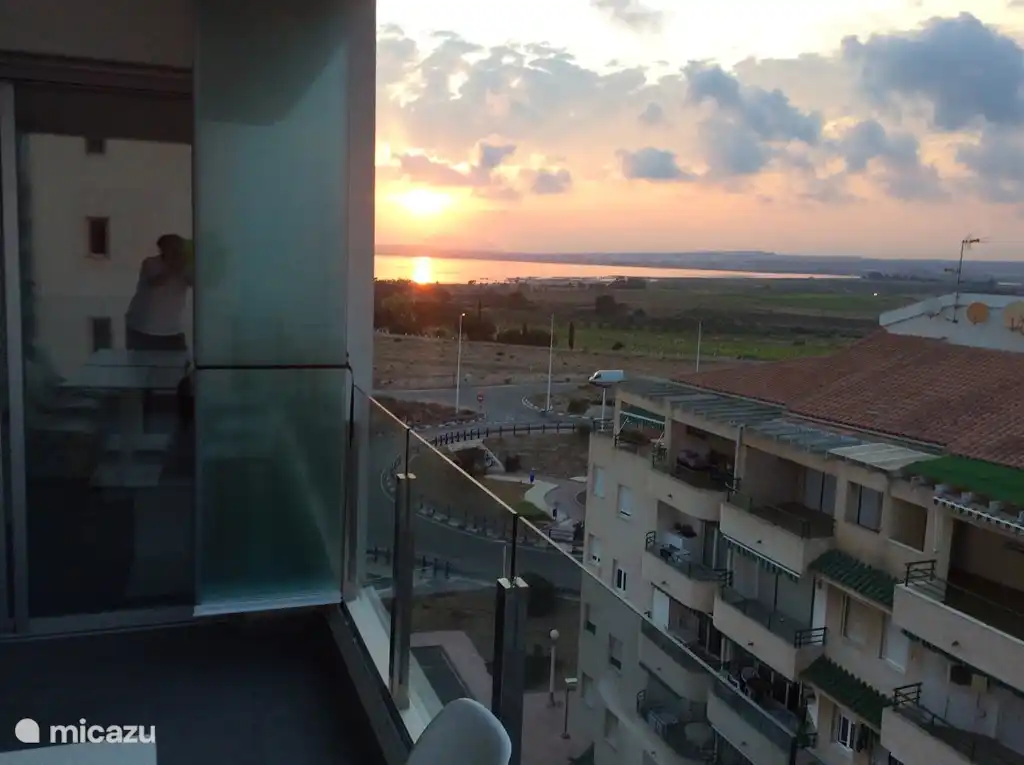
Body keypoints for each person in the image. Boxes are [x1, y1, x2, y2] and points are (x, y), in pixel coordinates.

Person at [125, 234, 192, 351]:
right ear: (162, 248)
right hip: (142, 329)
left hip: (172, 330)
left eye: (178, 248)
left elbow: (196, 282)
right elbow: (156, 282)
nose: (176, 251)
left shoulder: (185, 267)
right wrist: (180, 264)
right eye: (172, 248)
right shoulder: (151, 263)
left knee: (178, 366)